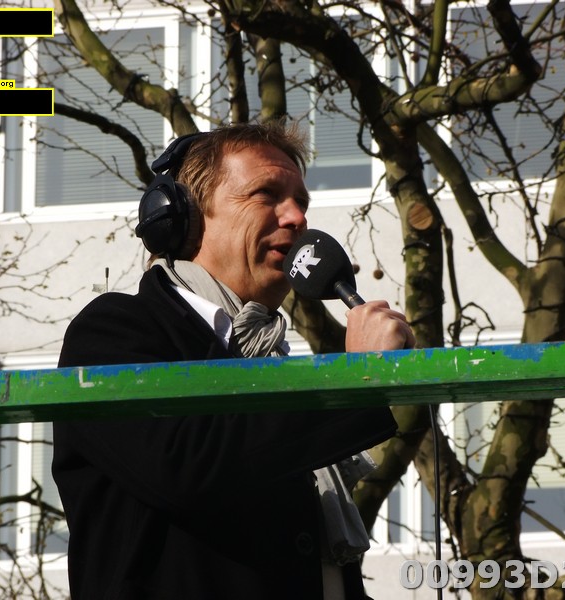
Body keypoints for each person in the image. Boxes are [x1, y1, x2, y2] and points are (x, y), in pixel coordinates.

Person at [51, 121, 415, 600]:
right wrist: (353, 380)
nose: (297, 218)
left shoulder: (274, 363)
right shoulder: (115, 330)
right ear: (182, 218)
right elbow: (185, 470)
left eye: (301, 202)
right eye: (266, 194)